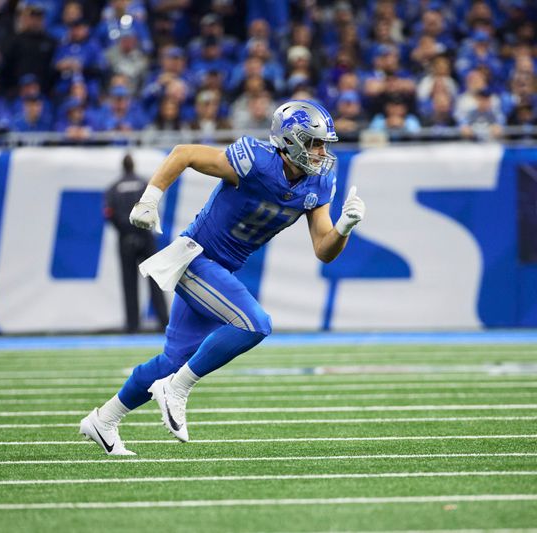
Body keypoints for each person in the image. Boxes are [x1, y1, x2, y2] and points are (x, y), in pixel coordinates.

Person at [79, 100, 366, 455]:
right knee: (255, 324)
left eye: (324, 143)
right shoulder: (255, 161)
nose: (322, 152)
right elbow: (184, 153)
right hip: (195, 258)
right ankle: (176, 388)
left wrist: (344, 227)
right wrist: (149, 199)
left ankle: (103, 420)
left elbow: (324, 248)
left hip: (220, 270)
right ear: (290, 142)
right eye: (315, 143)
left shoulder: (320, 182)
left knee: (172, 360)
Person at [105, 154, 170, 334]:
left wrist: (124, 230)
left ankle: (132, 324)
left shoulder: (113, 188)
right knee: (155, 280)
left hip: (125, 238)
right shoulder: (144, 185)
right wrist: (141, 229)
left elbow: (108, 213)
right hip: (146, 237)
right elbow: (152, 207)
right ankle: (163, 321)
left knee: (129, 282)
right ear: (133, 165)